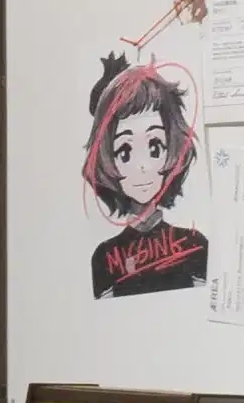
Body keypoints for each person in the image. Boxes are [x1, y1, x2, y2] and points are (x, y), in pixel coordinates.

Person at [80, 53, 206, 297]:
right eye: (124, 151)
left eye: (155, 147)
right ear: (107, 158)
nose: (142, 167)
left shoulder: (195, 245)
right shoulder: (105, 258)